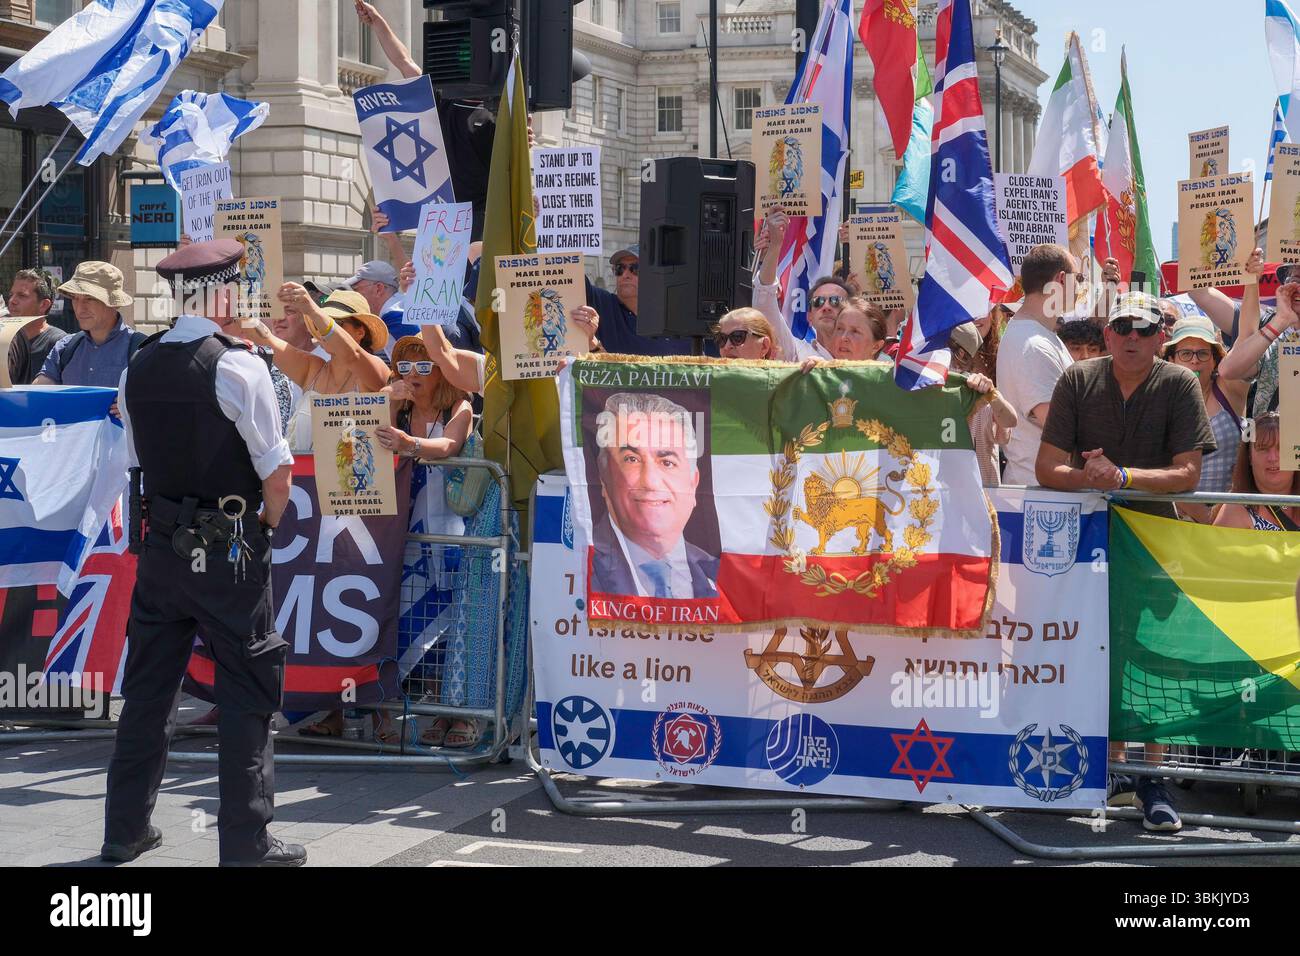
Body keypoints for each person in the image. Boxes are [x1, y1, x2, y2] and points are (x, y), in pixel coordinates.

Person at [103, 238, 302, 867]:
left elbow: (135, 459)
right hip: (230, 550)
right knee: (246, 694)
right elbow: (277, 475)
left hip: (162, 548)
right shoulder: (239, 365)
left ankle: (123, 831)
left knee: (148, 692)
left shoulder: (139, 363)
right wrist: (264, 532)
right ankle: (247, 844)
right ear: (225, 292)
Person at [1035, 290, 1216, 834]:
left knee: (1153, 658)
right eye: (1122, 326)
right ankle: (1114, 766)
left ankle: (1152, 776)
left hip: (1157, 542)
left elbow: (1188, 474)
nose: (1132, 337)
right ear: (1107, 332)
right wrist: (1089, 477)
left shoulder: (1180, 382)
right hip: (1088, 541)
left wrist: (1124, 478)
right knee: (1100, 651)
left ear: (1162, 334)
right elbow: (1048, 467)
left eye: (1143, 327)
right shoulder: (1076, 379)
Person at [374, 336, 475, 747]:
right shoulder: (397, 406)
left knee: (452, 620)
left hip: (452, 533)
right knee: (408, 619)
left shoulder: (460, 406)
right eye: (404, 367)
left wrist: (410, 444)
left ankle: (457, 713)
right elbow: (361, 435)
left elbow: (450, 444)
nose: (412, 376)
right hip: (401, 532)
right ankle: (431, 706)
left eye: (423, 367)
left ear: (442, 371)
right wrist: (389, 402)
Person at [590, 392, 718, 599]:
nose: (650, 481)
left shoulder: (723, 575)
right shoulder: (578, 563)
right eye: (631, 459)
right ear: (604, 478)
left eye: (667, 462)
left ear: (693, 484)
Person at [244, 286, 391, 453]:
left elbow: (353, 355)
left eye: (338, 323)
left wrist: (312, 311)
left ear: (360, 332)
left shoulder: (376, 368)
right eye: (325, 321)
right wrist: (239, 293)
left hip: (356, 478)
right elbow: (264, 338)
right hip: (300, 477)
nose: (324, 328)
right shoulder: (313, 369)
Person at [995, 243, 1079, 485]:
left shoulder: (1040, 336)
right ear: (1061, 280)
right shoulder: (1032, 344)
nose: (1082, 287)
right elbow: (1058, 425)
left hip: (1045, 491)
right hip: (1038, 494)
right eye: (1079, 278)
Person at [1164, 318, 1247, 514]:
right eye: (1185, 353)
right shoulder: (1158, 398)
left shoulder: (1230, 390)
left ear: (1215, 360)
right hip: (1173, 521)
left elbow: (1246, 337)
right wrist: (1203, 517)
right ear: (1171, 360)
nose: (1194, 360)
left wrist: (1251, 288)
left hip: (1226, 520)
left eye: (1202, 353)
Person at [34, 261, 145, 387]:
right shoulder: (64, 348)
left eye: (89, 299)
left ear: (114, 303)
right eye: (75, 298)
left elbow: (160, 401)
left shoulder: (142, 349)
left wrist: (131, 406)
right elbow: (39, 393)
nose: (80, 308)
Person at [753, 208, 832, 361]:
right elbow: (764, 297)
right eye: (818, 302)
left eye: (836, 301)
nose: (827, 306)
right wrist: (775, 246)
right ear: (809, 316)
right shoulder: (798, 353)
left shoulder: (879, 361)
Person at [1219, 258, 1294, 418]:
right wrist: (1281, 320)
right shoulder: (1276, 341)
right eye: (1294, 280)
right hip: (1272, 441)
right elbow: (1228, 369)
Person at [949, 322, 1018, 488]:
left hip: (982, 491)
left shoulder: (980, 388)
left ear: (959, 353)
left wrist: (992, 395)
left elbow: (1010, 422)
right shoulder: (928, 386)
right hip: (946, 489)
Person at [1213, 413, 1300, 531]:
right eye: (1263, 449)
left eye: (1282, 448)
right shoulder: (1234, 512)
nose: (1273, 458)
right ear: (1249, 457)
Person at [5, 269, 65, 385]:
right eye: (11, 295)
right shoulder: (5, 339)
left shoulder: (59, 344)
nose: (12, 301)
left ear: (43, 305)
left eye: (22, 296)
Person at [342, 260, 405, 356]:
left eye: (356, 289)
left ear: (378, 289)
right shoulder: (399, 308)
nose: (354, 294)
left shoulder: (393, 316)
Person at [714, 307, 782, 361]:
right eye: (722, 339)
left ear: (764, 346)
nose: (727, 346)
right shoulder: (708, 377)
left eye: (737, 337)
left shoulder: (780, 378)